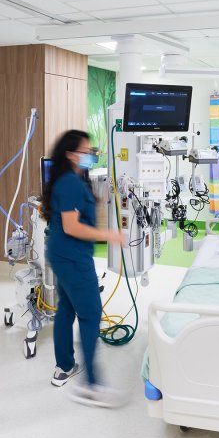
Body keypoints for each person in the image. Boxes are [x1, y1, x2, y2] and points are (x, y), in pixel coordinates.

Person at [42, 129, 128, 407]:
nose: (91, 155)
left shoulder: (74, 180)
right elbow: (72, 226)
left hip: (63, 254)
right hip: (73, 258)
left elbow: (77, 214)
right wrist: (110, 235)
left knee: (67, 309)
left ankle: (65, 365)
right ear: (70, 154)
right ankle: (90, 385)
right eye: (86, 151)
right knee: (90, 315)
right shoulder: (68, 182)